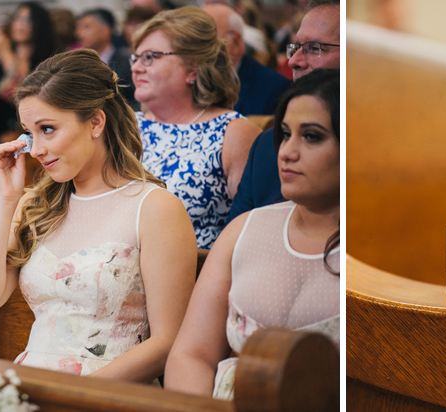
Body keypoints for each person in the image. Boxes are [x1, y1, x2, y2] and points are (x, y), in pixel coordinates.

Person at [0, 49, 196, 382]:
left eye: (48, 129)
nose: (36, 149)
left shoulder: (154, 207)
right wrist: (4, 201)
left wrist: (72, 395)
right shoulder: (33, 206)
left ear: (96, 122)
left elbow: (167, 341)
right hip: (30, 385)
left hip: (107, 391)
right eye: (29, 133)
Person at [165, 68, 340, 399]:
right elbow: (192, 355)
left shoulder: (370, 257)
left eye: (312, 136)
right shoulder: (244, 230)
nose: (287, 152)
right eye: (285, 134)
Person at [131, 6, 261, 249]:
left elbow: (253, 231)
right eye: (135, 58)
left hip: (198, 275)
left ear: (193, 68)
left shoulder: (233, 132)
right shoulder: (129, 126)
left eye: (149, 57)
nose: (136, 67)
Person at [227, 0, 339, 223]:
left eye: (315, 48)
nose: (293, 61)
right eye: (296, 47)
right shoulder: (266, 146)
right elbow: (235, 239)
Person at [0, 1, 56, 217]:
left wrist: (6, 52)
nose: (20, 24)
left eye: (27, 20)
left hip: (22, 125)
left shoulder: (45, 61)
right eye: (17, 18)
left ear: (39, 26)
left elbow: (20, 94)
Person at [203, 4, 291, 116]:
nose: (195, 48)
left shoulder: (275, 88)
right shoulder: (191, 80)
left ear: (235, 41)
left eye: (205, 40)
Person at [76, 8, 138, 110]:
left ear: (106, 31)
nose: (79, 33)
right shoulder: (78, 64)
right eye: (78, 28)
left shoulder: (127, 64)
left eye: (86, 27)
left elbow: (135, 101)